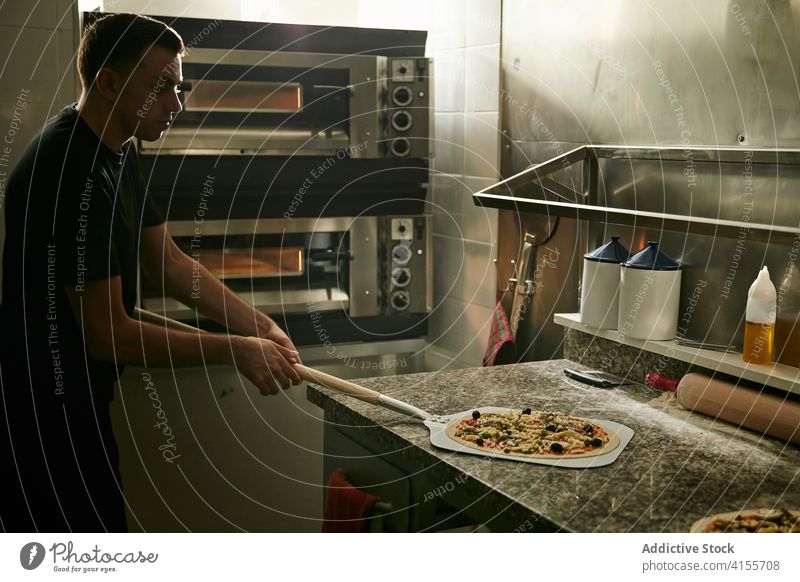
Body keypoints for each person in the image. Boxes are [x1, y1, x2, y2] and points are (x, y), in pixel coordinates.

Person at [0, 13, 301, 533]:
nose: (176, 103)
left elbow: (167, 264)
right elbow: (106, 334)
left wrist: (260, 326)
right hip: (40, 418)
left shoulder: (117, 148)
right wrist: (232, 348)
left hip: (79, 404)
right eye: (161, 86)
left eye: (179, 86)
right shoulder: (70, 171)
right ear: (109, 82)